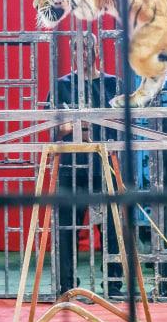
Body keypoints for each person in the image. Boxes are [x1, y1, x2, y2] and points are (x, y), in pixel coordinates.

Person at [46, 32, 124, 298]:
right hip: (71, 166)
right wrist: (84, 126)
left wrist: (79, 125)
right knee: (66, 228)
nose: (83, 53)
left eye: (88, 47)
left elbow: (120, 124)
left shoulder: (113, 84)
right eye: (77, 48)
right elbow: (56, 127)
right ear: (71, 52)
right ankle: (66, 285)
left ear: (96, 50)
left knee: (112, 228)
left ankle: (113, 285)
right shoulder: (61, 85)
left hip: (104, 164)